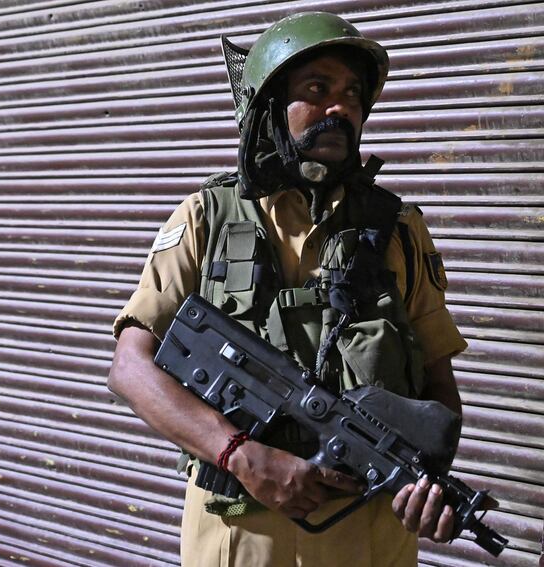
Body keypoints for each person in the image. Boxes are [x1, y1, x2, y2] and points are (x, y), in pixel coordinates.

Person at [108, 12, 468, 567]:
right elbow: (131, 367)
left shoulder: (397, 228)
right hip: (240, 541)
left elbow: (438, 387)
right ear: (269, 105)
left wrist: (429, 485)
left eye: (351, 94)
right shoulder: (207, 216)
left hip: (368, 540)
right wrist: (239, 454)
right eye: (317, 89)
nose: (339, 108)